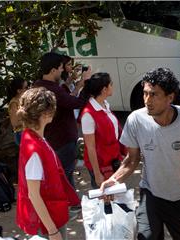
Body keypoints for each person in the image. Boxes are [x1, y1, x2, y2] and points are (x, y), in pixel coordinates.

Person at [100, 67, 180, 239]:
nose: (147, 100)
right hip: (151, 194)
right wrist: (113, 180)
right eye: (145, 93)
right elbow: (132, 160)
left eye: (154, 94)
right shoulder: (136, 120)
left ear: (170, 97)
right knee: (146, 236)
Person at [16, 87, 80, 240]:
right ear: (45, 113)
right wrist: (52, 230)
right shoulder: (34, 149)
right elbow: (33, 195)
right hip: (47, 220)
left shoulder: (31, 136)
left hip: (51, 212)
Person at [34, 52, 90, 189]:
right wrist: (86, 83)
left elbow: (65, 98)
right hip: (63, 140)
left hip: (52, 138)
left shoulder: (38, 85)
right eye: (60, 68)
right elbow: (76, 103)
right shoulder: (53, 90)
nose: (62, 70)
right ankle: (71, 203)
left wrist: (75, 84)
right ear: (53, 70)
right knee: (65, 174)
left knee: (62, 172)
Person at [79, 73, 127, 189]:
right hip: (101, 166)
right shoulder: (88, 115)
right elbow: (90, 147)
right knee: (105, 201)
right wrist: (97, 174)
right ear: (104, 89)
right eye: (111, 84)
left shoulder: (105, 105)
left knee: (116, 196)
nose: (112, 87)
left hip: (112, 160)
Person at [7, 77, 28, 145]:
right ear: (18, 90)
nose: (28, 89)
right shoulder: (14, 103)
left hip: (26, 132)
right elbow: (15, 123)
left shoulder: (23, 99)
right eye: (26, 87)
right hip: (21, 133)